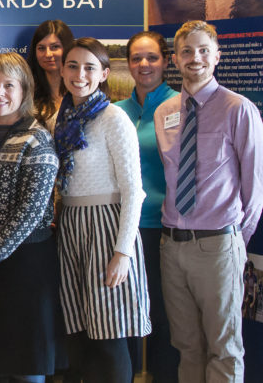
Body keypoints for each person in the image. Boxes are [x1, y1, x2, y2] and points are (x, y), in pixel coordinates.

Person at [154, 20, 263, 382]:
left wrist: (234, 243)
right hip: (172, 245)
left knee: (224, 348)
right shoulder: (164, 113)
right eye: (186, 51)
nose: (195, 58)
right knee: (186, 346)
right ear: (175, 59)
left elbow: (255, 189)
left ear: (217, 55)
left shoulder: (238, 109)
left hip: (218, 244)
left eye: (203, 50)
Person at [55, 38, 150, 383]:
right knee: (79, 336)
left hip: (107, 228)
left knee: (109, 337)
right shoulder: (60, 117)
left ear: (104, 73)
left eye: (89, 67)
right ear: (63, 69)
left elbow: (133, 191)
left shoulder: (114, 118)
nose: (79, 74)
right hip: (71, 227)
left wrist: (122, 251)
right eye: (73, 65)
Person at [0, 53, 60, 382]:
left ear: (24, 90)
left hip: (24, 267)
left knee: (24, 365)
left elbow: (33, 209)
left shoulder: (37, 138)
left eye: (8, 85)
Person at [114, 31, 180, 382]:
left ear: (166, 61)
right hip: (124, 230)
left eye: (152, 57)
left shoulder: (181, 106)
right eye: (136, 58)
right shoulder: (115, 112)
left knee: (163, 316)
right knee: (123, 315)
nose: (144, 64)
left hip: (164, 229)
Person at [27, 20, 74, 130]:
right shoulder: (26, 94)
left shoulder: (81, 91)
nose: (48, 54)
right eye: (41, 48)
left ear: (67, 48)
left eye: (54, 47)